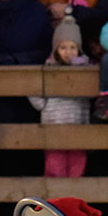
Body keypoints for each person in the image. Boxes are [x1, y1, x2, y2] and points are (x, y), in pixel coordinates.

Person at [29, 17, 91, 178]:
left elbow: (90, 92)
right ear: (56, 49)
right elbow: (34, 91)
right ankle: (54, 202)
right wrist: (44, 105)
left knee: (77, 168)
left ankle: (73, 202)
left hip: (78, 125)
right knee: (55, 167)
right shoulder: (49, 68)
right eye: (63, 47)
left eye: (72, 47)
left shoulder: (86, 69)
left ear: (79, 49)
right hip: (53, 125)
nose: (68, 52)